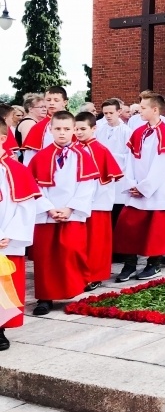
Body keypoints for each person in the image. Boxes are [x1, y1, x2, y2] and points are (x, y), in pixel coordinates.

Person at [28, 111, 99, 315]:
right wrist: (48, 208)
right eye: (57, 129)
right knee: (46, 257)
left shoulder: (83, 155)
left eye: (67, 129)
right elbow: (34, 187)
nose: (62, 133)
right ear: (50, 130)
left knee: (71, 252)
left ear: (74, 130)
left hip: (72, 214)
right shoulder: (40, 157)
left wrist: (70, 208)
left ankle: (72, 292)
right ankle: (45, 297)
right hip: (46, 215)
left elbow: (87, 186)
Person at [113, 93, 165, 282]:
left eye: (143, 108)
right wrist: (130, 183)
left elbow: (162, 166)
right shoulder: (138, 132)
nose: (140, 111)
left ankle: (154, 264)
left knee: (156, 231)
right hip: (136, 189)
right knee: (128, 227)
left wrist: (144, 187)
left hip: (157, 192)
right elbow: (129, 160)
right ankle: (129, 264)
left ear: (155, 110)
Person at [0, 120, 41, 352]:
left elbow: (26, 208)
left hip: (6, 242)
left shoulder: (17, 171)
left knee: (5, 289)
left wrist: (8, 234)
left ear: (2, 139)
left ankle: (0, 329)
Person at [74, 112, 124, 291]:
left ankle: (95, 276)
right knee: (80, 242)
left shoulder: (101, 150)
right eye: (76, 129)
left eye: (82, 129)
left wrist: (89, 199)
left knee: (96, 242)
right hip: (77, 204)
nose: (78, 132)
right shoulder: (72, 149)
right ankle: (79, 274)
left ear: (93, 128)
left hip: (97, 204)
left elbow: (104, 181)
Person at [95, 99, 133, 229]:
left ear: (119, 111)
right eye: (105, 113)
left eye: (111, 113)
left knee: (118, 208)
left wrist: (110, 156)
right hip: (102, 175)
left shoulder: (127, 131)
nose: (108, 116)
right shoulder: (99, 130)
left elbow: (130, 155)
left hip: (120, 175)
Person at [21, 86, 69, 166]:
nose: (52, 103)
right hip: (45, 168)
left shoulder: (74, 125)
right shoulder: (38, 127)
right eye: (48, 100)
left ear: (65, 102)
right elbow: (29, 158)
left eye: (56, 100)